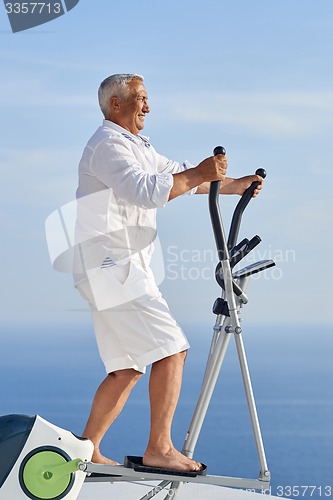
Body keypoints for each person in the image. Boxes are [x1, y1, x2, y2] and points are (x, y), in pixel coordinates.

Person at [73, 73, 263, 472]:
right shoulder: (107, 145)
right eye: (140, 98)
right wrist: (199, 172)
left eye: (147, 98)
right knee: (172, 349)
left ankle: (87, 447)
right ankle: (159, 448)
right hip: (113, 265)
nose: (148, 106)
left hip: (113, 268)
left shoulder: (136, 146)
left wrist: (233, 185)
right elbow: (144, 190)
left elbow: (180, 179)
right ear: (116, 105)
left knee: (127, 366)